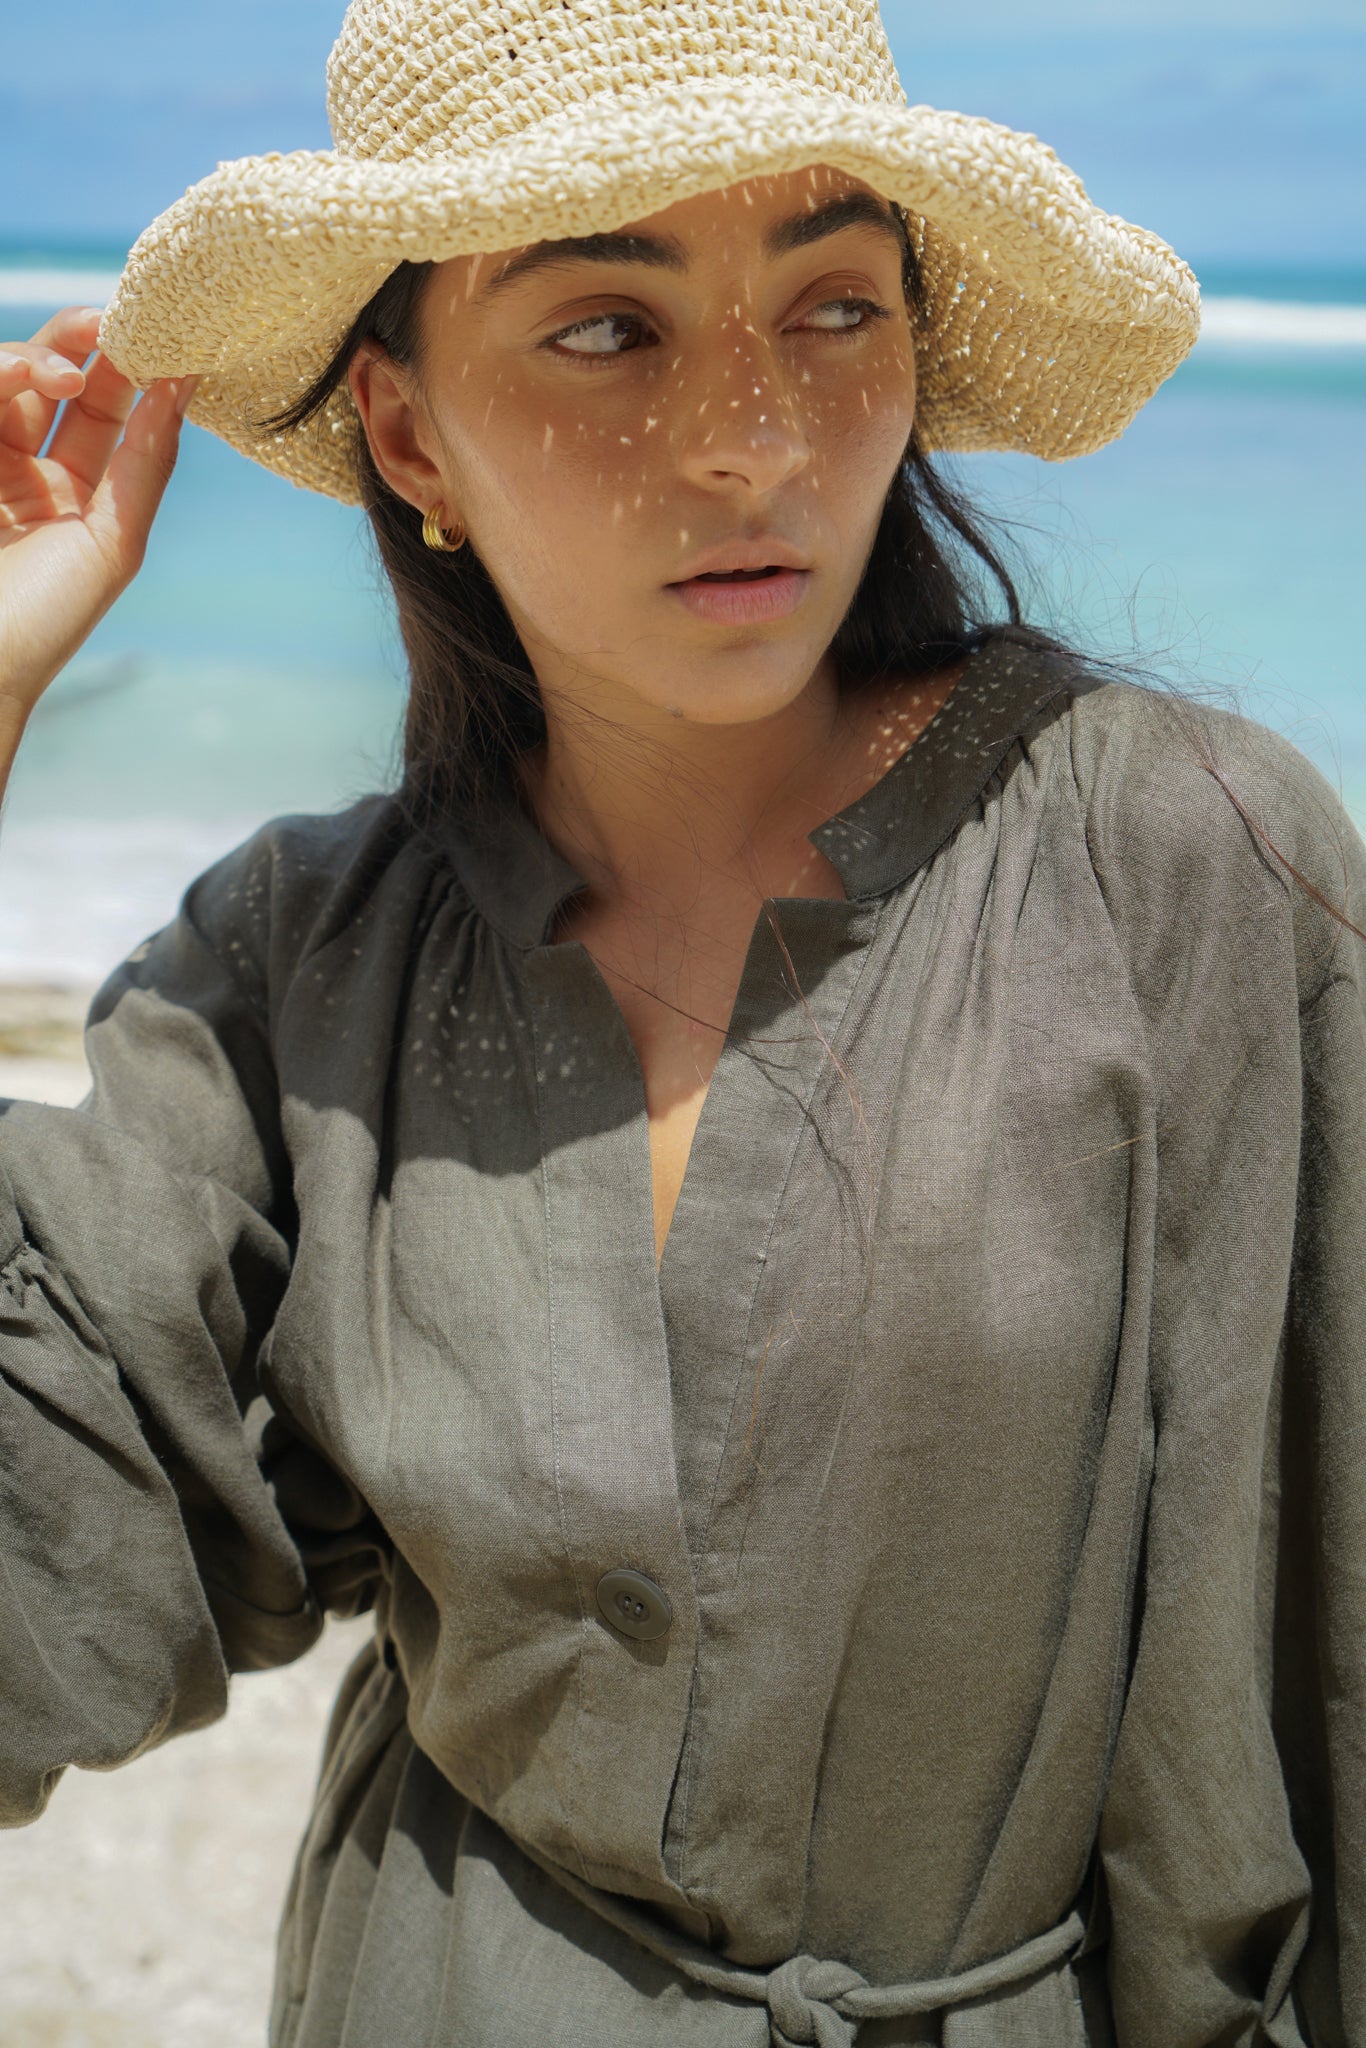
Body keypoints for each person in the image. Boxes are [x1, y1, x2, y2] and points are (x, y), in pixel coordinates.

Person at [1, 1, 1362, 2042]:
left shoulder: (1177, 861)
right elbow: (41, 1579)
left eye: (829, 306)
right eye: (607, 328)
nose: (749, 434)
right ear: (402, 431)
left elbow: (1314, 1663)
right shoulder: (307, 971)